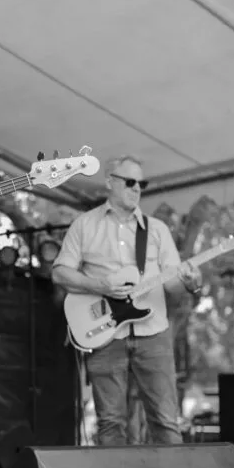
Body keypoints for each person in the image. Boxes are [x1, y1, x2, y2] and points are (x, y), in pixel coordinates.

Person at [52, 155, 201, 446]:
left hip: (154, 334)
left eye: (141, 184)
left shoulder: (156, 230)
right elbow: (59, 273)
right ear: (110, 182)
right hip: (105, 335)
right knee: (110, 423)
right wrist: (99, 285)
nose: (137, 189)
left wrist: (191, 285)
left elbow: (172, 286)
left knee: (166, 421)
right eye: (130, 182)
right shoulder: (84, 225)